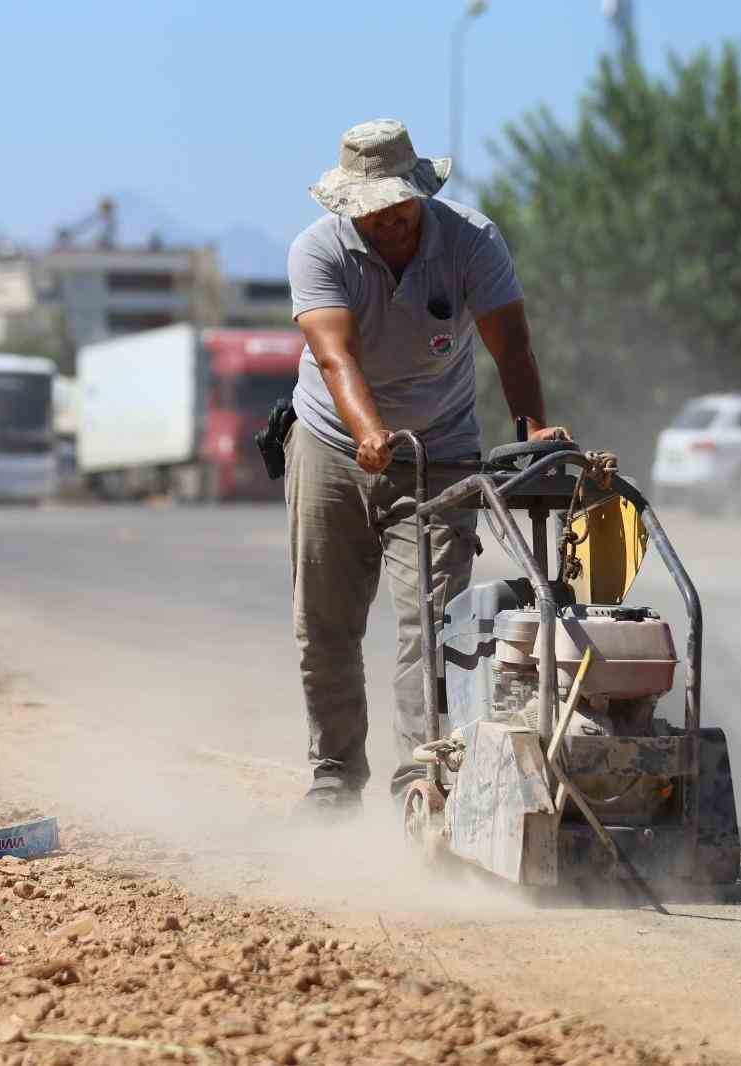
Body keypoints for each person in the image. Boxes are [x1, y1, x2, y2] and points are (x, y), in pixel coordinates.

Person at [284, 118, 566, 815]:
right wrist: (369, 432)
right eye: (369, 210)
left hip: (439, 449)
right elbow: (335, 358)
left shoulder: (471, 241)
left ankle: (423, 776)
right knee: (327, 621)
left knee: (434, 622)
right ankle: (334, 774)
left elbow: (512, 347)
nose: (386, 220)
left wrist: (533, 429)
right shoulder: (318, 250)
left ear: (419, 191)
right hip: (332, 442)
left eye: (397, 205)